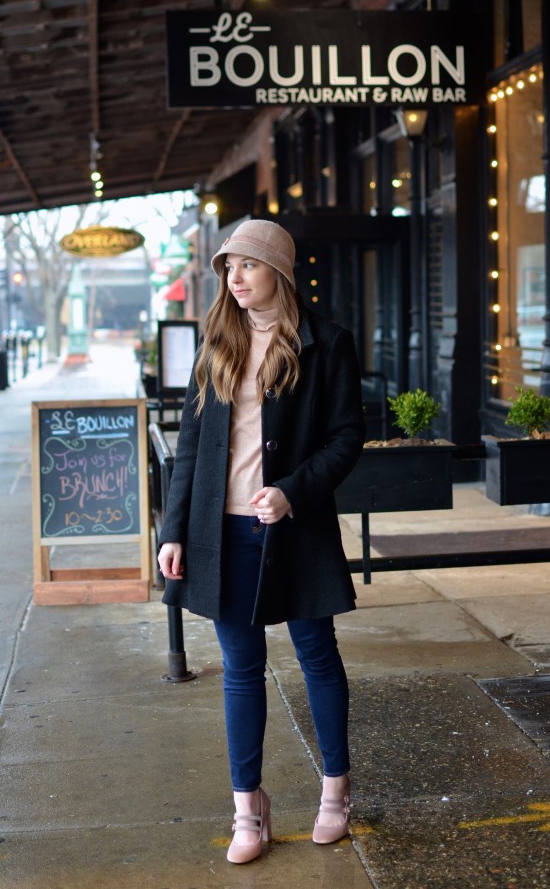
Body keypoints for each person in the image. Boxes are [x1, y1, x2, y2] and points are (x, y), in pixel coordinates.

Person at [157, 219, 364, 864]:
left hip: (294, 529)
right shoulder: (216, 343)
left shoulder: (324, 342)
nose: (234, 277)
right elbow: (190, 450)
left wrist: (292, 491)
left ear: (277, 267)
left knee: (316, 657)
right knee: (241, 671)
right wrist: (174, 532)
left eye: (245, 264)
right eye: (227, 268)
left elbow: (347, 438)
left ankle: (336, 792)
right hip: (221, 533)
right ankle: (249, 810)